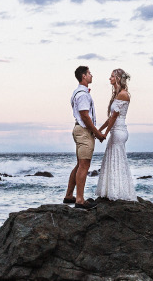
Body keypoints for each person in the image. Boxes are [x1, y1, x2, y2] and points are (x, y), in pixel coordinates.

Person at [64, 65, 105, 209]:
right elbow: (85, 116)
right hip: (84, 131)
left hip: (79, 130)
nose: (91, 75)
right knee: (84, 165)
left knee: (79, 164)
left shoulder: (78, 92)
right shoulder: (82, 94)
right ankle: (79, 200)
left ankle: (69, 195)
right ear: (83, 76)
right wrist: (97, 133)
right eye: (89, 73)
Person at [95, 68, 137, 201]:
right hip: (116, 130)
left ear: (118, 78)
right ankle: (113, 190)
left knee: (116, 160)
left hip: (118, 131)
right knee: (113, 159)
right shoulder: (118, 94)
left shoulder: (123, 94)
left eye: (112, 76)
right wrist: (99, 130)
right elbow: (110, 118)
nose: (110, 78)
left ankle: (118, 192)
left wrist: (105, 133)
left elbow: (114, 118)